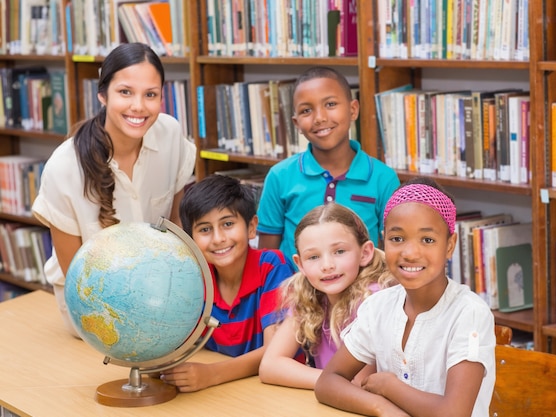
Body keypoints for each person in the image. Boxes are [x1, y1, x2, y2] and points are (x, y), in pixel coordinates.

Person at [32, 43, 196, 337]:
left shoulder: (170, 133)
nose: (138, 106)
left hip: (159, 290)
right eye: (125, 92)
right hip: (95, 307)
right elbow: (75, 277)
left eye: (151, 95)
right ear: (102, 94)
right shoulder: (64, 166)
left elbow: (177, 230)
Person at [315, 177, 495, 417]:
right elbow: (328, 382)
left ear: (450, 245)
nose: (410, 253)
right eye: (397, 239)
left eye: (428, 240)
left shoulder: (468, 313)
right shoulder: (378, 306)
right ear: (383, 239)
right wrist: (382, 407)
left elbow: (454, 413)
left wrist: (389, 387)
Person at [159, 174, 295, 392]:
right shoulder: (196, 280)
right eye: (204, 229)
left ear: (251, 227)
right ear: (191, 239)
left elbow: (274, 352)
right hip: (232, 391)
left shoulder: (272, 266)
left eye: (228, 224)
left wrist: (211, 374)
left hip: (276, 390)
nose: (218, 238)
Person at [256, 66, 399, 266]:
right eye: (307, 110)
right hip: (297, 294)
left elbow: (391, 252)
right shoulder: (280, 176)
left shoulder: (383, 178)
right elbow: (267, 259)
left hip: (365, 294)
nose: (320, 118)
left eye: (330, 104)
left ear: (353, 110)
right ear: (296, 124)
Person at [259, 203, 395, 389]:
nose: (327, 265)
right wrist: (332, 380)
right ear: (300, 264)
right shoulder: (308, 296)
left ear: (365, 253)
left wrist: (331, 381)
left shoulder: (373, 300)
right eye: (313, 257)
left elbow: (359, 383)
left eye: (339, 252)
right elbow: (269, 366)